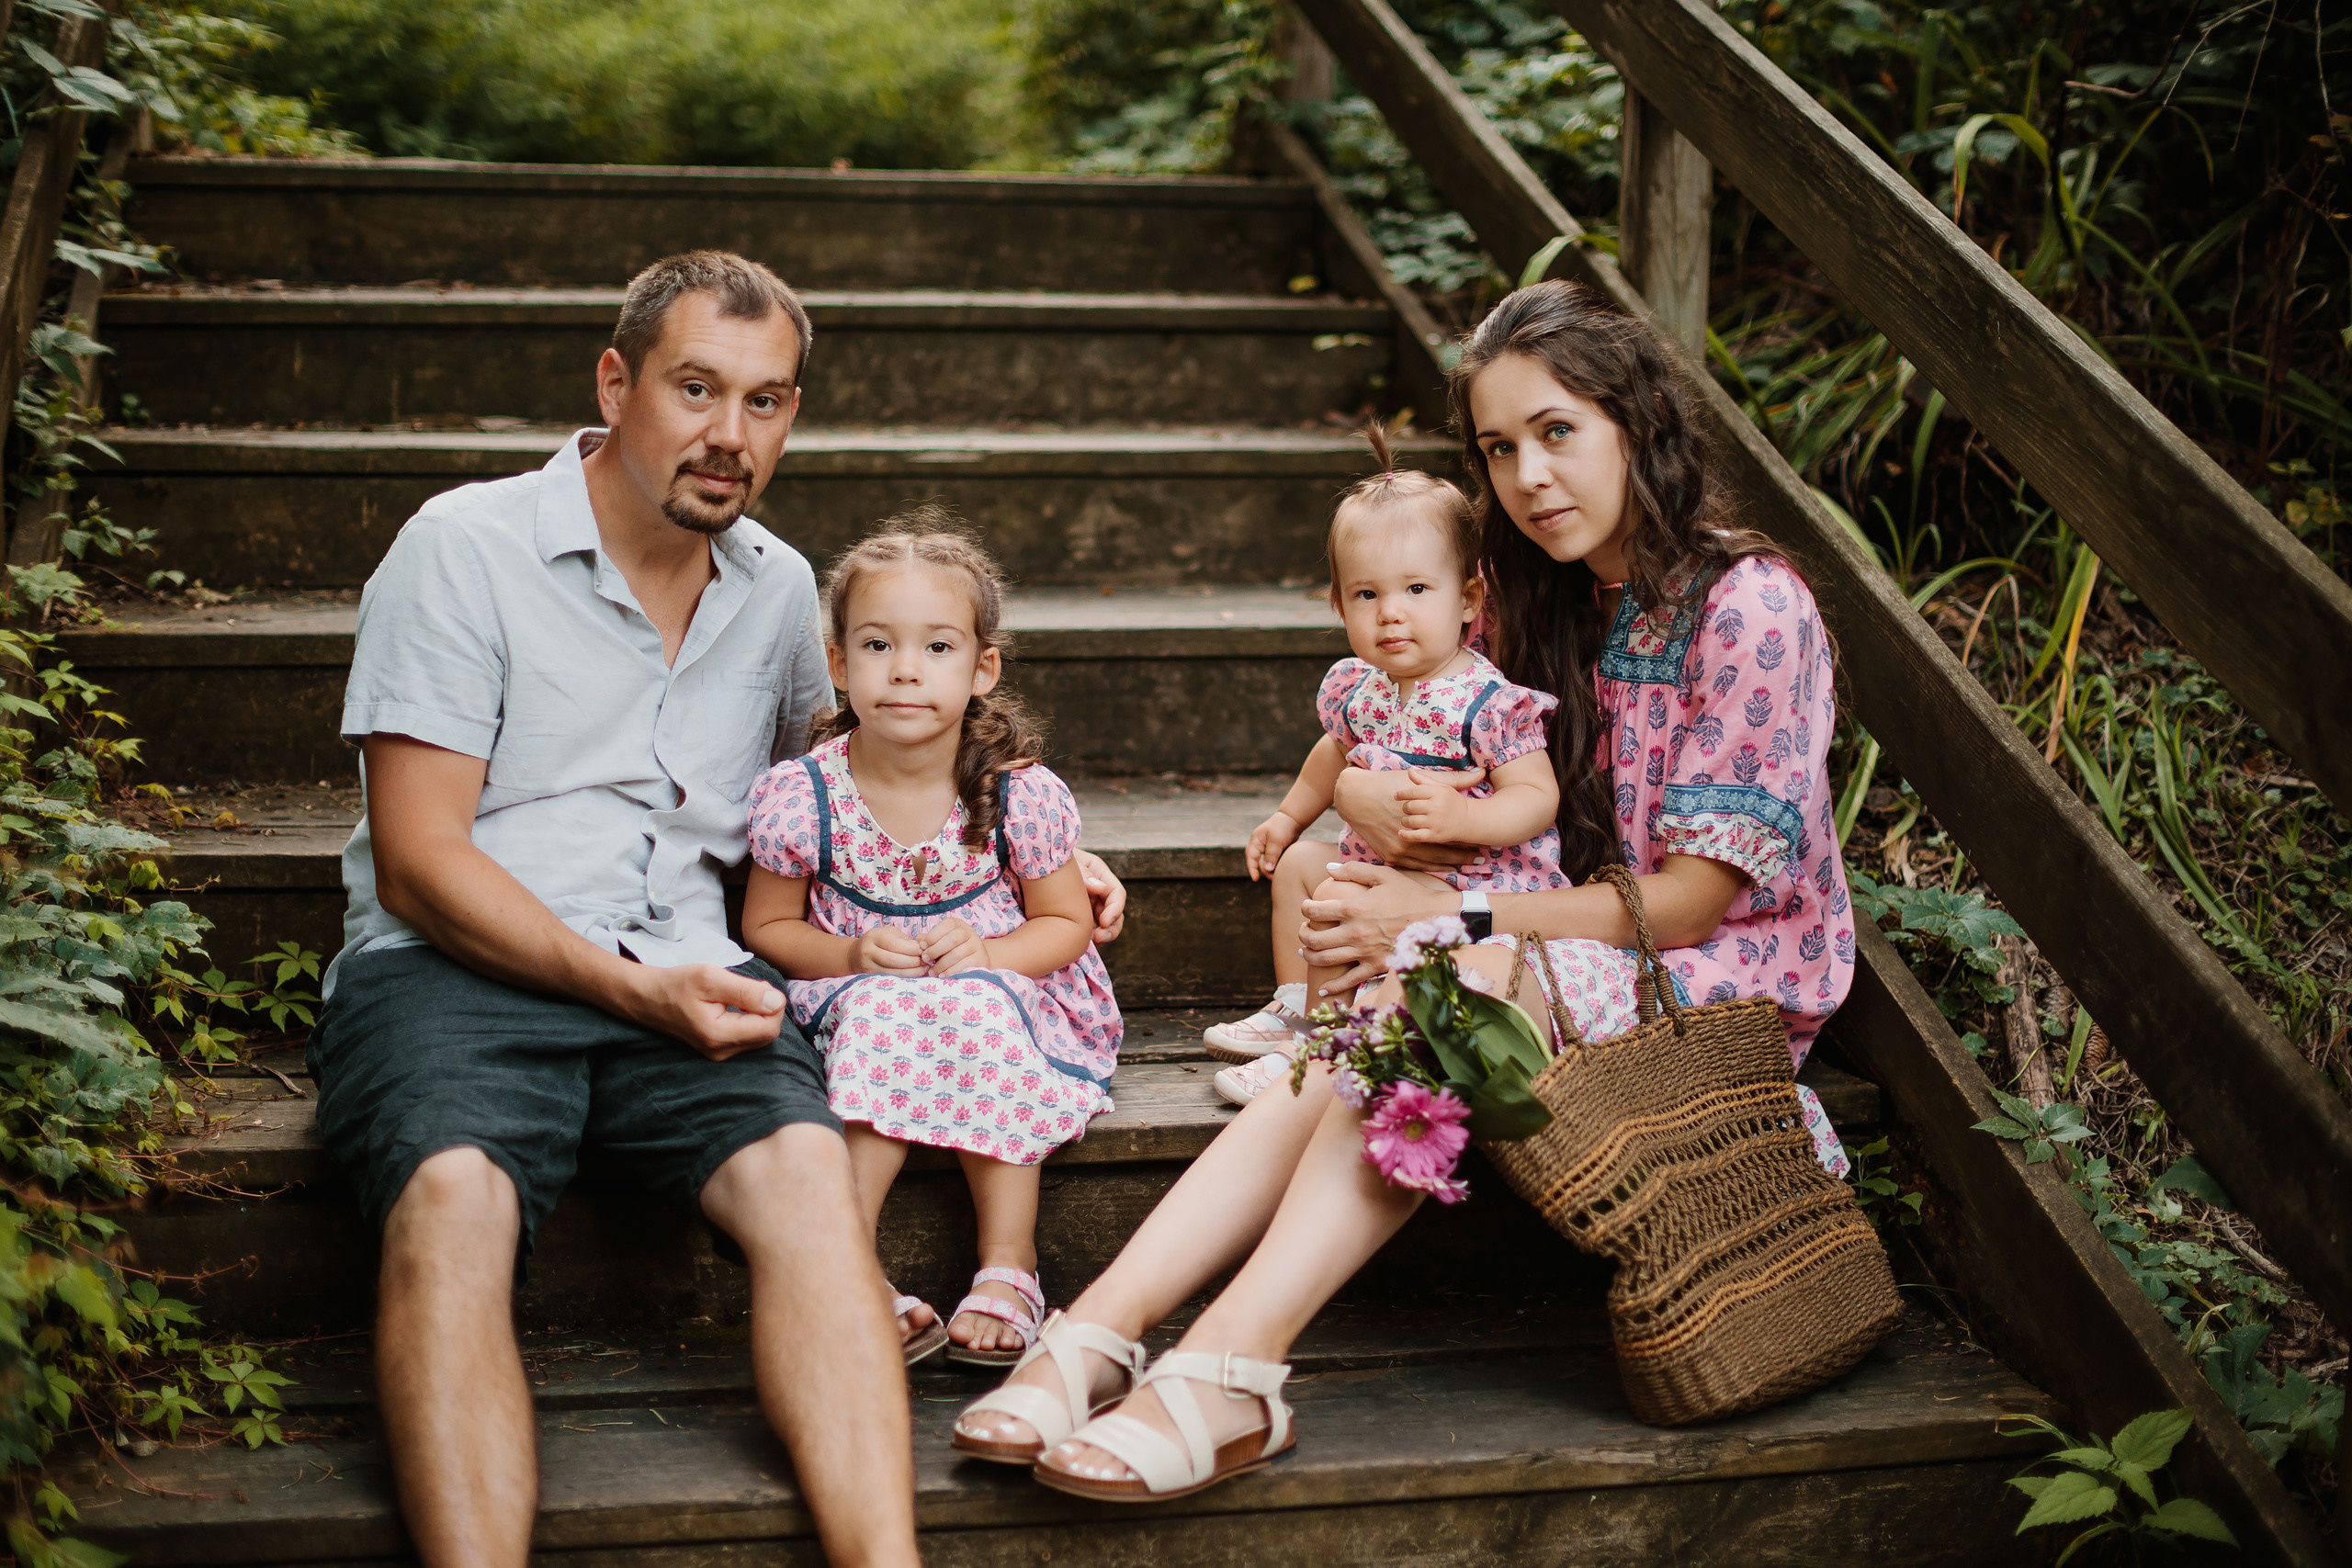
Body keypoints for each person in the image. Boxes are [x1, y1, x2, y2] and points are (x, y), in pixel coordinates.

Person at [949, 278, 1857, 1502]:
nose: (1530, 475)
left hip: (1715, 976)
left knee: (1445, 982)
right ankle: (1103, 1327)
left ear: (1640, 417)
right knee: (1377, 1017)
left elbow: (1691, 903)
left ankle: (1235, 1358)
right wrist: (1374, 815)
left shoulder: (1749, 607)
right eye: (1498, 447)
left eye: (1558, 430)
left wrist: (1449, 913)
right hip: (1542, 939)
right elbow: (1406, 761)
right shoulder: (1534, 600)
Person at [306, 251, 1125, 1566]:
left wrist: (1031, 860)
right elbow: (416, 858)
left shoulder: (776, 590)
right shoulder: (462, 548)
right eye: (697, 389)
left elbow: (865, 779)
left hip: (690, 967)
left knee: (810, 1177)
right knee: (454, 1195)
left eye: (767, 400)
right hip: (457, 966)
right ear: (617, 382)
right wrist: (623, 986)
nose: (730, 434)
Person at [742, 519, 1122, 1370]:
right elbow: (766, 927)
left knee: (976, 1009)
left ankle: (1008, 1264)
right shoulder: (804, 796)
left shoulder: (1017, 794)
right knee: (884, 1014)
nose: (906, 668)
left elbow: (1062, 925)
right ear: (838, 663)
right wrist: (846, 956)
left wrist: (990, 956)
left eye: (937, 646)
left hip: (1006, 985)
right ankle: (846, 1267)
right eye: (877, 644)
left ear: (982, 667)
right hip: (858, 989)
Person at [1201, 426, 1566, 1105]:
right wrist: (1288, 816)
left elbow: (1536, 795)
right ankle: (1298, 1006)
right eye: (1367, 595)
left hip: (1466, 879)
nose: (1391, 613)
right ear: (1340, 605)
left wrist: (1470, 814)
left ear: (1467, 600)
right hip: (1384, 864)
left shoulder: (1485, 701)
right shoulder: (1357, 686)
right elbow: (1331, 754)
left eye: (1417, 588)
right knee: (1303, 869)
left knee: (1337, 894)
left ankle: (1324, 1042)